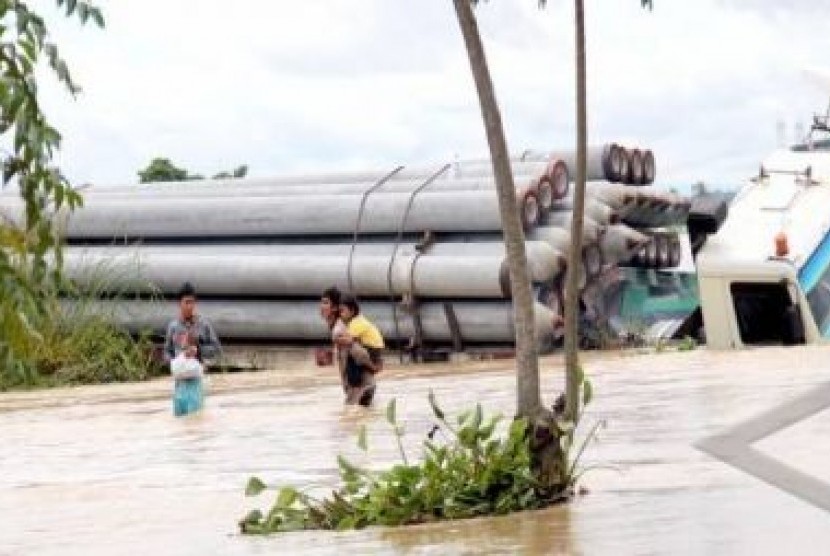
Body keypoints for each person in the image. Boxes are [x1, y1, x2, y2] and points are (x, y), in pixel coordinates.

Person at [164, 282, 221, 416]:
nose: (190, 306)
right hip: (178, 385)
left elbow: (216, 349)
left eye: (192, 303)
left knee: (195, 421)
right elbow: (167, 351)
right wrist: (173, 362)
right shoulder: (173, 327)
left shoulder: (203, 325)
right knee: (179, 424)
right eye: (187, 302)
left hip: (196, 383)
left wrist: (198, 350)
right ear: (179, 304)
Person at [335, 294, 384, 407]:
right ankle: (362, 384)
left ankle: (356, 384)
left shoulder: (355, 323)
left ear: (352, 311)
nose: (340, 315)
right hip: (374, 350)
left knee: (351, 360)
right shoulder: (359, 319)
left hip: (371, 350)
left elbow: (348, 340)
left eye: (342, 311)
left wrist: (337, 338)